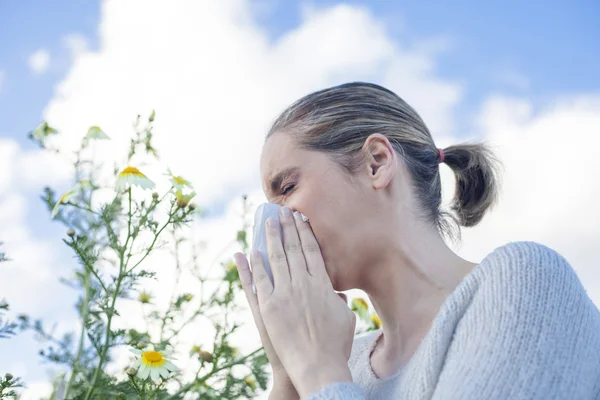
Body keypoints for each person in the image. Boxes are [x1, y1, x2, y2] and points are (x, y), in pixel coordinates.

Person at [233, 82, 600, 399]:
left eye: (288, 188)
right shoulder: (349, 361)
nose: (274, 223)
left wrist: (317, 372)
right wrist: (289, 378)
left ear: (376, 163)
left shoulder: (526, 282)